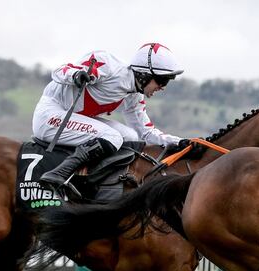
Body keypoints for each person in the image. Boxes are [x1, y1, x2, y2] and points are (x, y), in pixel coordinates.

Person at [33, 43, 189, 193]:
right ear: (144, 74)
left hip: (73, 119)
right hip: (50, 115)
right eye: (162, 80)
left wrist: (181, 143)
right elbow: (59, 71)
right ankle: (59, 174)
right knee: (113, 137)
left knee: (130, 136)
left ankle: (99, 181)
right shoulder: (108, 65)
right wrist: (75, 75)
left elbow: (146, 133)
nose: (163, 87)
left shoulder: (134, 96)